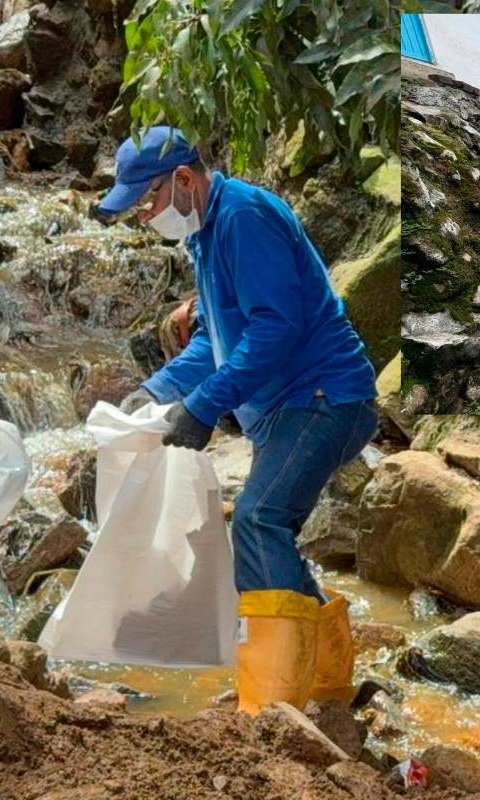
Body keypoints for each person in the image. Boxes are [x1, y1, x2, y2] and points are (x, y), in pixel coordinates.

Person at [94, 126, 379, 714]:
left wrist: (202, 407)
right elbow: (214, 341)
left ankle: (273, 706)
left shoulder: (244, 216)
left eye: (146, 202)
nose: (146, 217)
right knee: (268, 529)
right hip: (285, 409)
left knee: (258, 519)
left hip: (325, 397)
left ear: (183, 179)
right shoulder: (206, 233)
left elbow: (276, 328)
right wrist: (156, 391)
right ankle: (326, 687)